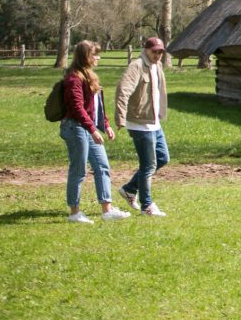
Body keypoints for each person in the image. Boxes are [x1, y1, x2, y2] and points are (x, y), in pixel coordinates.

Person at [60, 40, 131, 224]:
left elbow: (96, 106)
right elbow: (77, 108)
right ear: (85, 56)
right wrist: (92, 129)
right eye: (94, 54)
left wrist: (105, 125)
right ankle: (74, 213)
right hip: (75, 128)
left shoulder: (90, 76)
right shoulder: (74, 78)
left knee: (102, 166)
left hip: (87, 128)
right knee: (78, 170)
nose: (97, 57)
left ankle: (107, 210)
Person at [115, 36, 170, 217]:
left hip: (154, 122)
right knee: (148, 165)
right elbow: (123, 90)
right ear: (146, 50)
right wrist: (120, 117)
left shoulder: (158, 66)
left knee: (162, 158)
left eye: (160, 52)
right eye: (154, 51)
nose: (157, 55)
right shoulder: (136, 66)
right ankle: (147, 206)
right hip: (139, 123)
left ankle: (130, 189)